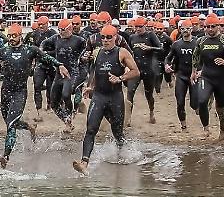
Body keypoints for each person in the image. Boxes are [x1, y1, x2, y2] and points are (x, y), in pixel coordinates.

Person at [0, 24, 68, 168]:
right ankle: (29, 126)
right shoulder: (4, 51)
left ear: (20, 36)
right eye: (9, 36)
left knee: (11, 124)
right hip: (6, 91)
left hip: (20, 92)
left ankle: (5, 156)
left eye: (14, 36)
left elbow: (47, 58)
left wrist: (59, 64)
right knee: (11, 123)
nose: (11, 38)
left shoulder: (30, 50)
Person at [73, 25, 140, 175]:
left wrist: (120, 78)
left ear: (115, 37)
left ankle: (123, 153)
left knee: (117, 132)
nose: (105, 40)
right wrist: (90, 87)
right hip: (99, 96)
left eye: (109, 37)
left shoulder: (122, 53)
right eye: (103, 37)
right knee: (91, 129)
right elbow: (96, 73)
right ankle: (84, 163)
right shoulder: (97, 53)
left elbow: (136, 71)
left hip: (115, 97)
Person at [191, 14, 224, 141]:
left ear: (218, 27)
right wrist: (194, 71)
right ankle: (206, 128)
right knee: (201, 101)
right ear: (204, 28)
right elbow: (195, 57)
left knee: (221, 108)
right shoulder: (201, 41)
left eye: (213, 26)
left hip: (222, 78)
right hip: (206, 76)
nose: (210, 29)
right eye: (208, 27)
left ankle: (222, 132)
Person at [41, 19, 88, 129]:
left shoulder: (78, 40)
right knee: (53, 102)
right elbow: (44, 43)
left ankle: (70, 116)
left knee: (66, 95)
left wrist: (84, 57)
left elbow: (87, 47)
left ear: (70, 29)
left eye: (63, 30)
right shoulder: (56, 38)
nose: (61, 32)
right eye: (59, 30)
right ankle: (66, 120)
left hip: (72, 72)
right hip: (59, 73)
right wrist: (41, 51)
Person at [123, 17, 162, 126]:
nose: (138, 29)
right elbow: (128, 53)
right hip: (136, 69)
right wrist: (126, 65)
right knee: (130, 93)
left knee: (148, 94)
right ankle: (128, 117)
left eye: (140, 27)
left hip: (149, 69)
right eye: (136, 27)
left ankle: (151, 112)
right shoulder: (132, 37)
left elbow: (160, 48)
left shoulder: (151, 35)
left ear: (145, 26)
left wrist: (150, 48)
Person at [163, 19, 199, 130]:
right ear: (180, 30)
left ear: (191, 29)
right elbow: (168, 58)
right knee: (180, 102)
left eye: (187, 29)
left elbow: (204, 58)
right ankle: (183, 125)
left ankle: (199, 109)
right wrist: (166, 66)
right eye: (183, 29)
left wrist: (201, 71)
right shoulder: (177, 44)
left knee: (194, 103)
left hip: (194, 76)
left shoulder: (197, 43)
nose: (185, 31)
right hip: (181, 76)